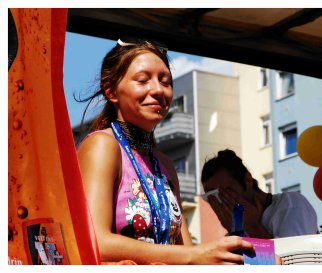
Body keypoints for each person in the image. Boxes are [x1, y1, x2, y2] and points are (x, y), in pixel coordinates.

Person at [76, 38, 255, 265]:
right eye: (143, 80)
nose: (158, 90)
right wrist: (195, 255)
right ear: (111, 91)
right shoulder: (103, 146)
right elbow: (94, 241)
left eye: (166, 81)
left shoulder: (164, 164)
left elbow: (186, 251)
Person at [201, 149, 319, 239]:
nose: (222, 201)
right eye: (211, 197)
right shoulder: (232, 234)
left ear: (247, 179)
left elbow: (289, 265)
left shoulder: (291, 205)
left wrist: (253, 226)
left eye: (226, 191)